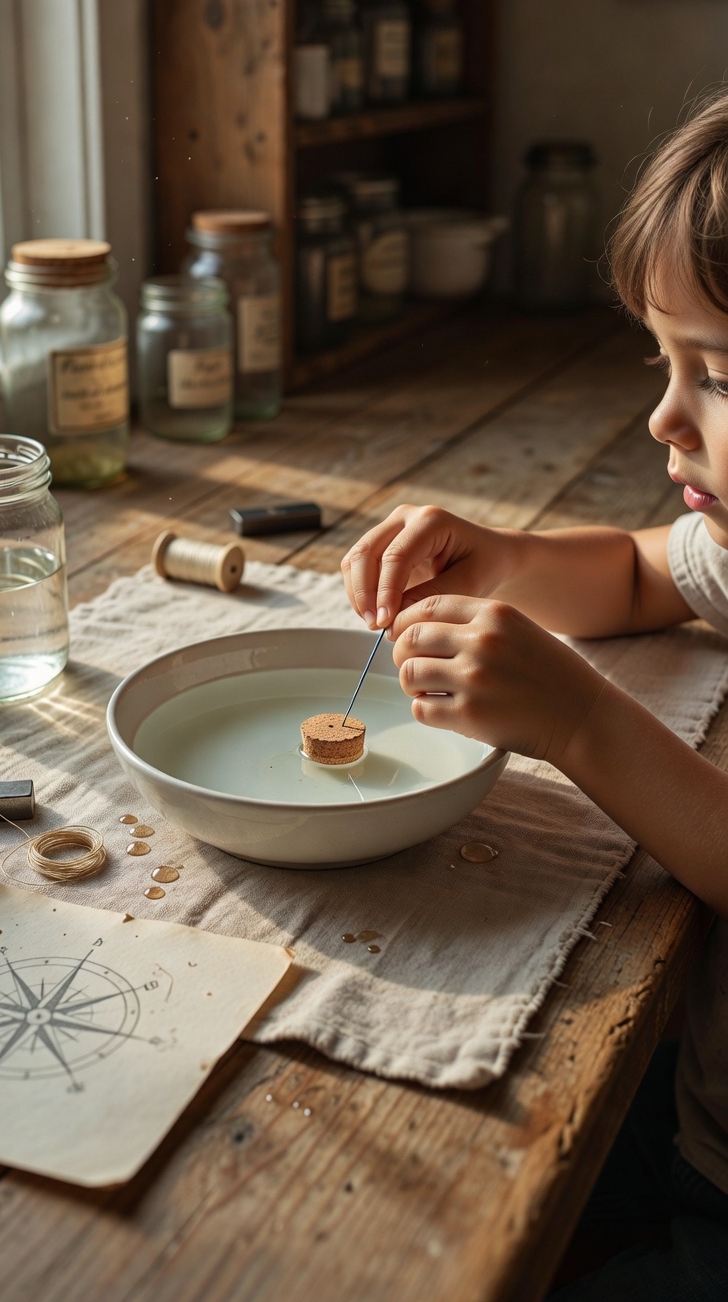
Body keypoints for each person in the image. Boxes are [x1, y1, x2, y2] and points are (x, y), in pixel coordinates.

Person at [341, 92, 728, 1299]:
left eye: (718, 375)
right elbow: (637, 569)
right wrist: (500, 554)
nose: (663, 416)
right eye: (662, 363)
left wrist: (578, 719)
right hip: (694, 1118)